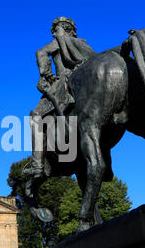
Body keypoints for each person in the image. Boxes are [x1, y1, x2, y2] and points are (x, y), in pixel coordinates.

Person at [24, 17, 98, 178]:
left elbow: (41, 52)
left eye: (55, 31)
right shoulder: (82, 44)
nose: (54, 34)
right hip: (84, 82)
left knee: (35, 117)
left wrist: (46, 74)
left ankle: (37, 165)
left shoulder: (60, 41)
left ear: (59, 29)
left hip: (62, 83)